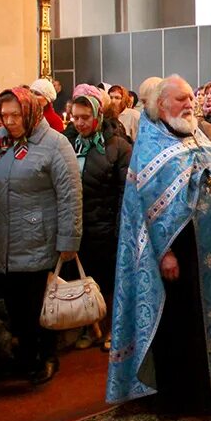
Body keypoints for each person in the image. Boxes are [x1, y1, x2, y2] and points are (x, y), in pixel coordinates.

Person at [107, 76, 211, 411]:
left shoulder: (197, 134)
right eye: (181, 99)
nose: (189, 105)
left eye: (190, 99)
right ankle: (187, 394)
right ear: (161, 105)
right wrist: (164, 252)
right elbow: (145, 210)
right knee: (184, 322)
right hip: (178, 253)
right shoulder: (151, 143)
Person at [0, 88, 81, 386]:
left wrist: (68, 241)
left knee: (39, 305)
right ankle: (22, 355)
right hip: (1, 238)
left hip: (38, 237)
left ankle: (45, 355)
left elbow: (70, 196)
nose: (9, 121)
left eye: (16, 115)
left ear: (30, 113)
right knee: (12, 305)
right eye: (4, 115)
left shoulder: (54, 144)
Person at [65, 92, 131, 351]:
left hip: (106, 224)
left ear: (98, 116)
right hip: (80, 225)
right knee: (83, 281)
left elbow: (125, 191)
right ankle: (90, 327)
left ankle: (113, 330)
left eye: (85, 117)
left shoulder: (118, 146)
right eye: (75, 118)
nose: (79, 123)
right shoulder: (69, 143)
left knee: (109, 283)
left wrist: (119, 226)